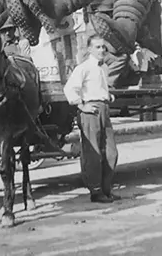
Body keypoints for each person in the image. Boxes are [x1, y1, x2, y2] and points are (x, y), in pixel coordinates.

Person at [63, 35, 119, 203]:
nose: (102, 50)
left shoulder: (104, 68)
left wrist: (108, 96)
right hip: (90, 112)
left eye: (103, 47)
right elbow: (70, 89)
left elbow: (99, 88)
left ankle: (106, 189)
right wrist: (82, 106)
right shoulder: (83, 68)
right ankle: (96, 192)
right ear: (89, 50)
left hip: (103, 109)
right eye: (97, 47)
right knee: (93, 153)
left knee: (111, 152)